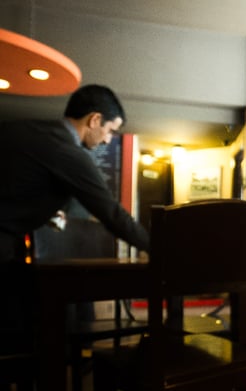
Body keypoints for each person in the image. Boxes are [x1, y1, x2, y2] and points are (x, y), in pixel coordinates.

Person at [0, 84, 150, 264]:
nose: (107, 140)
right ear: (95, 119)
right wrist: (155, 248)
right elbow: (112, 213)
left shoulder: (25, 128)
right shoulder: (66, 151)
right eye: (110, 130)